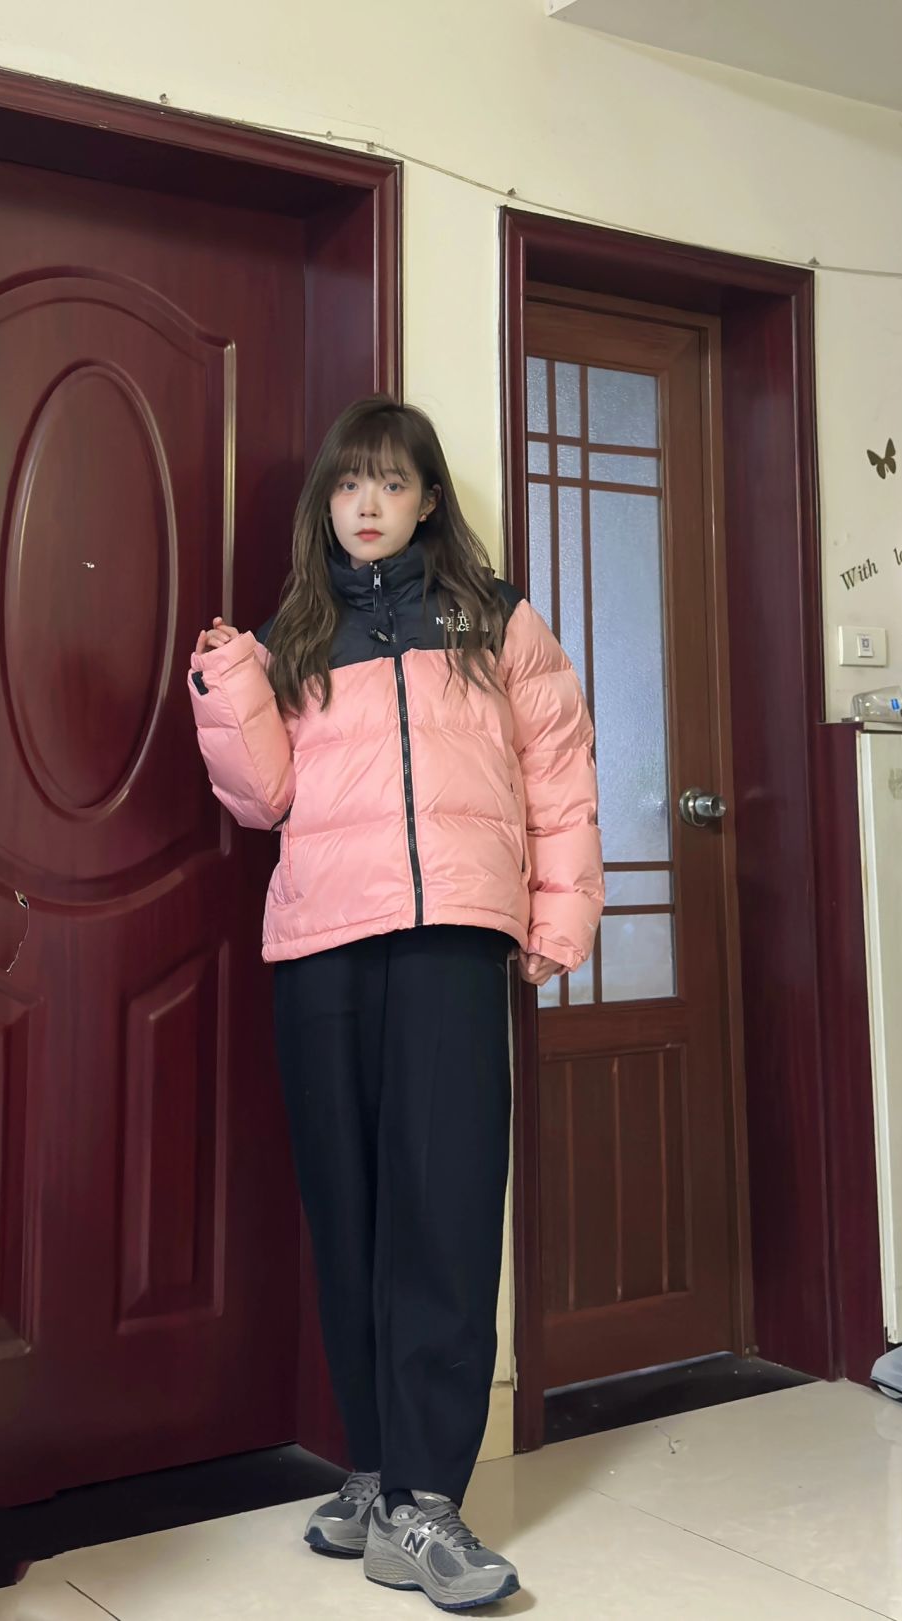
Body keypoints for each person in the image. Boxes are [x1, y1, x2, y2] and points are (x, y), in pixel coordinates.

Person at [187, 395, 603, 1612]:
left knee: (448, 1207)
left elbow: (559, 766)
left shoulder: (494, 619)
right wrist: (227, 683)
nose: (366, 504)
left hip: (452, 941)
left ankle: (426, 1500)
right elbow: (260, 799)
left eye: (390, 483)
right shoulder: (295, 633)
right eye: (347, 484)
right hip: (324, 945)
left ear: (427, 501)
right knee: (351, 1208)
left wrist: (560, 911)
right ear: (327, 503)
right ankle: (374, 1473)